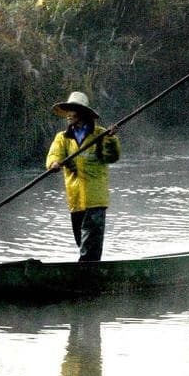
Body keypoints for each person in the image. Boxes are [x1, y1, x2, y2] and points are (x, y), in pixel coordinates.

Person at [46, 90, 121, 263]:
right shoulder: (63, 138)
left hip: (95, 200)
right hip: (76, 201)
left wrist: (110, 139)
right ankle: (90, 274)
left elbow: (112, 157)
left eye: (73, 110)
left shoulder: (100, 135)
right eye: (68, 110)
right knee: (83, 243)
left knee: (89, 249)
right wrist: (54, 164)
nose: (69, 115)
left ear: (83, 114)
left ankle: (86, 278)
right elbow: (54, 154)